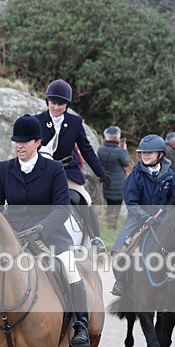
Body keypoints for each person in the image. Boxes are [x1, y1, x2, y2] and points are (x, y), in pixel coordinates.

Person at [0, 114, 91, 347]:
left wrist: (41, 230)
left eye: (24, 142)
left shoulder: (54, 169)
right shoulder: (4, 169)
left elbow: (62, 209)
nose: (19, 146)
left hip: (50, 234)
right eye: (16, 141)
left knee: (70, 269)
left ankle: (80, 325)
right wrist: (3, 231)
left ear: (38, 143)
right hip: (12, 236)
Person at [110, 135, 175, 296]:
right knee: (119, 251)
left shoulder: (170, 176)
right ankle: (122, 281)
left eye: (150, 152)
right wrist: (145, 217)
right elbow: (131, 203)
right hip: (138, 219)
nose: (145, 155)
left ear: (160, 155)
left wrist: (169, 214)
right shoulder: (134, 176)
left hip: (165, 218)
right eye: (143, 153)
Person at [34, 79, 111, 255]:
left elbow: (86, 149)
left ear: (67, 104)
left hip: (68, 172)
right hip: (43, 171)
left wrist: (101, 172)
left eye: (61, 104)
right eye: (53, 103)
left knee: (86, 200)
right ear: (48, 101)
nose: (56, 107)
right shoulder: (37, 121)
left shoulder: (75, 122)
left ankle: (95, 239)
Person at [97, 126, 129, 229]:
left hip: (107, 181)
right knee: (117, 205)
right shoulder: (119, 151)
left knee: (109, 204)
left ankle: (108, 223)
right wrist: (124, 149)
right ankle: (112, 226)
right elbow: (126, 163)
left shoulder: (100, 149)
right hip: (118, 183)